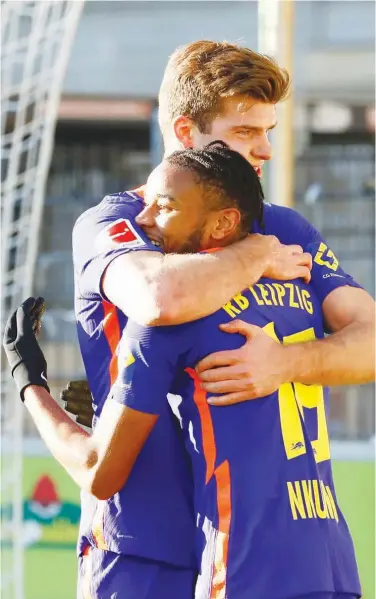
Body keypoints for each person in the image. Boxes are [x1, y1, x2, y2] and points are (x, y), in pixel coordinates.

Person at [4, 143, 361, 599]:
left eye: (165, 206)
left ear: (223, 222)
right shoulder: (302, 296)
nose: (144, 219)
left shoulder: (167, 320)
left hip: (242, 571)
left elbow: (99, 470)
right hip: (333, 567)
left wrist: (29, 382)